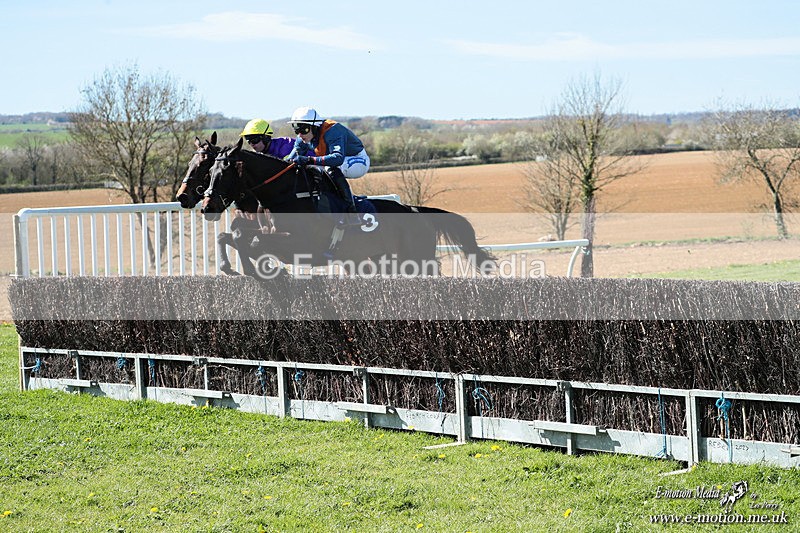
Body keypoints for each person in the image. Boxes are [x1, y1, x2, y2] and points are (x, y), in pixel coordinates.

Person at [286, 106, 370, 215]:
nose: (300, 134)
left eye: (303, 129)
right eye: (296, 129)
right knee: (311, 170)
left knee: (330, 168)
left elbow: (337, 158)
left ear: (314, 126)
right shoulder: (302, 138)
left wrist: (310, 159)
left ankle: (350, 209)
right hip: (340, 162)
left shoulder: (332, 131)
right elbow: (290, 160)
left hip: (358, 160)